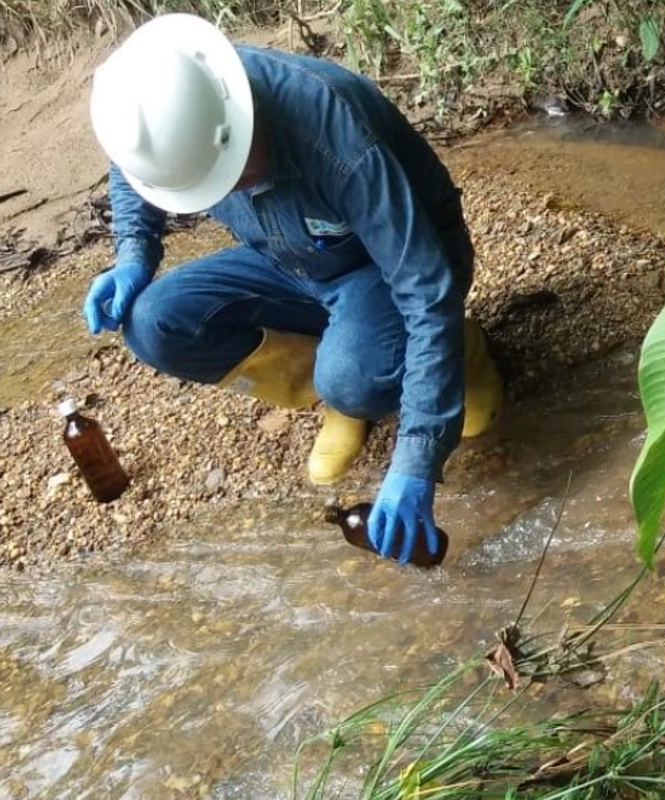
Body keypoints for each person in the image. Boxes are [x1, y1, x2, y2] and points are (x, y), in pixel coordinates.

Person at [84, 13, 503, 565]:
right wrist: (134, 256)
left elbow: (425, 289)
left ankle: (445, 357)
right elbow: (134, 166)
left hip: (391, 262)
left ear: (231, 125)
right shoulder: (168, 107)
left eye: (226, 174)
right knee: (153, 324)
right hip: (287, 257)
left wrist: (416, 462)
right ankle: (343, 381)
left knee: (358, 376)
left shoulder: (334, 134)